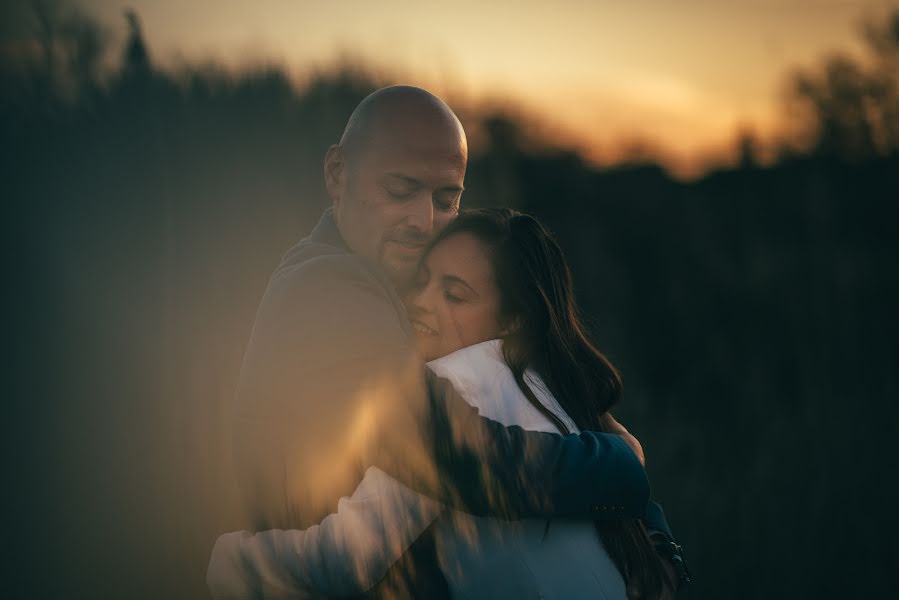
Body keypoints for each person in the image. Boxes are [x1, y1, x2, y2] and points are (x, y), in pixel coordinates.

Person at [222, 86, 682, 596]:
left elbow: (565, 400)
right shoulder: (326, 290)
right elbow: (459, 457)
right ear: (337, 174)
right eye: (401, 191)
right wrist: (622, 468)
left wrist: (653, 531)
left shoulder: (394, 286)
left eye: (447, 199)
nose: (425, 222)